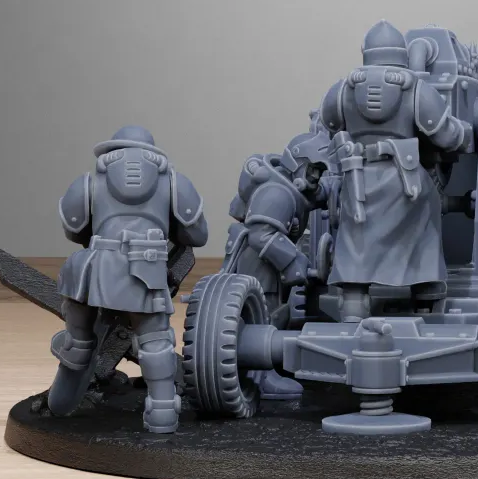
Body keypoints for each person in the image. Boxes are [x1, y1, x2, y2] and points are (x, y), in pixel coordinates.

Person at [50, 126, 208, 433]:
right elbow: (196, 235)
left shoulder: (89, 181)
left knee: (78, 341)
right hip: (145, 268)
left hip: (93, 271)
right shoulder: (173, 181)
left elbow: (75, 231)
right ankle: (163, 416)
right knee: (155, 343)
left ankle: (60, 404)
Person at [318, 20, 473, 322]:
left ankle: (354, 304)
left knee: (355, 238)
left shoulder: (343, 89)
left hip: (358, 178)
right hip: (405, 180)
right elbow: (446, 136)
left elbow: (329, 126)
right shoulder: (413, 88)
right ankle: (425, 295)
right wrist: (466, 133)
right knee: (424, 227)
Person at [221, 114, 336, 397]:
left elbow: (317, 195)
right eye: (313, 170)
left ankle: (266, 368)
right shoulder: (276, 193)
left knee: (275, 312)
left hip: (269, 265)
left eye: (319, 172)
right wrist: (294, 261)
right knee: (263, 314)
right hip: (258, 265)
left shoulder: (292, 189)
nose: (315, 178)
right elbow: (262, 235)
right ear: (298, 163)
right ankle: (259, 376)